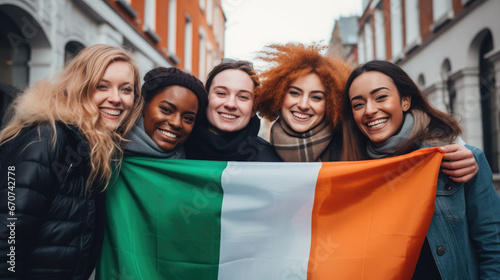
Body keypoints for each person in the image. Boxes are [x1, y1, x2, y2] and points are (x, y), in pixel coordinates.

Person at [341, 60, 500, 279]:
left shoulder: (457, 159)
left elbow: (493, 246)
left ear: (405, 101)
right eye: (358, 104)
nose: (369, 110)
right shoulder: (352, 172)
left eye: (381, 97)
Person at [0, 44, 143, 279]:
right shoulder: (49, 139)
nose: (116, 99)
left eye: (126, 90)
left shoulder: (94, 147)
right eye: (102, 86)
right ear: (80, 87)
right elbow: (8, 239)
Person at [256, 43, 478, 181]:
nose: (303, 104)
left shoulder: (349, 147)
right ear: (278, 95)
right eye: (294, 93)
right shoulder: (257, 155)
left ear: (332, 104)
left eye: (317, 97)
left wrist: (468, 157)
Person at [184, 59, 279, 161]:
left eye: (243, 97)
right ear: (205, 98)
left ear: (253, 108)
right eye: (221, 93)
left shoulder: (270, 161)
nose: (230, 104)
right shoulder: (177, 147)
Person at [125, 67, 208, 157]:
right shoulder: (111, 154)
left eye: (188, 118)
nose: (176, 123)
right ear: (143, 105)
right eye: (166, 110)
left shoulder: (192, 164)